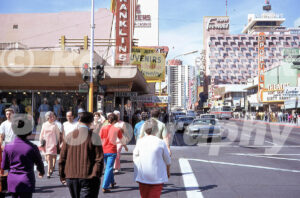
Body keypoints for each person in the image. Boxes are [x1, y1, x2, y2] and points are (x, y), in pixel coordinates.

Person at [59, 112, 104, 198]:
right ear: (91, 122)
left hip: (71, 176)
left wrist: (62, 175)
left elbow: (62, 158)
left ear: (79, 121)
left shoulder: (69, 136)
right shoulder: (94, 137)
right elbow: (99, 159)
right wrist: (96, 174)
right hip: (89, 176)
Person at [1, 115, 45, 198]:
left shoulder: (8, 147)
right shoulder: (32, 147)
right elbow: (39, 163)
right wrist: (41, 171)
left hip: (12, 181)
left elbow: (4, 166)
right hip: (27, 180)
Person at [133, 119, 171, 198]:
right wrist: (168, 171)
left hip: (143, 177)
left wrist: (136, 175)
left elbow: (135, 159)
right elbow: (167, 160)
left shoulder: (140, 141)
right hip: (157, 178)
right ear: (156, 130)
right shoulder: (160, 142)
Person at [99, 113, 127, 193]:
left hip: (103, 150)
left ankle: (112, 181)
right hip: (112, 150)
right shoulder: (116, 129)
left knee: (108, 167)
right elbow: (122, 139)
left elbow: (99, 139)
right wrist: (125, 146)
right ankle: (105, 186)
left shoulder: (103, 128)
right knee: (109, 168)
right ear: (115, 121)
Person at [39, 111, 61, 178]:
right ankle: (51, 167)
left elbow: (58, 135)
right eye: (51, 116)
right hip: (46, 143)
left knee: (49, 158)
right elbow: (41, 134)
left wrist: (57, 143)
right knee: (47, 158)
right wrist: (40, 142)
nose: (52, 118)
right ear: (47, 118)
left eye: (53, 116)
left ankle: (48, 172)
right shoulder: (44, 124)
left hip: (52, 143)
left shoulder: (55, 125)